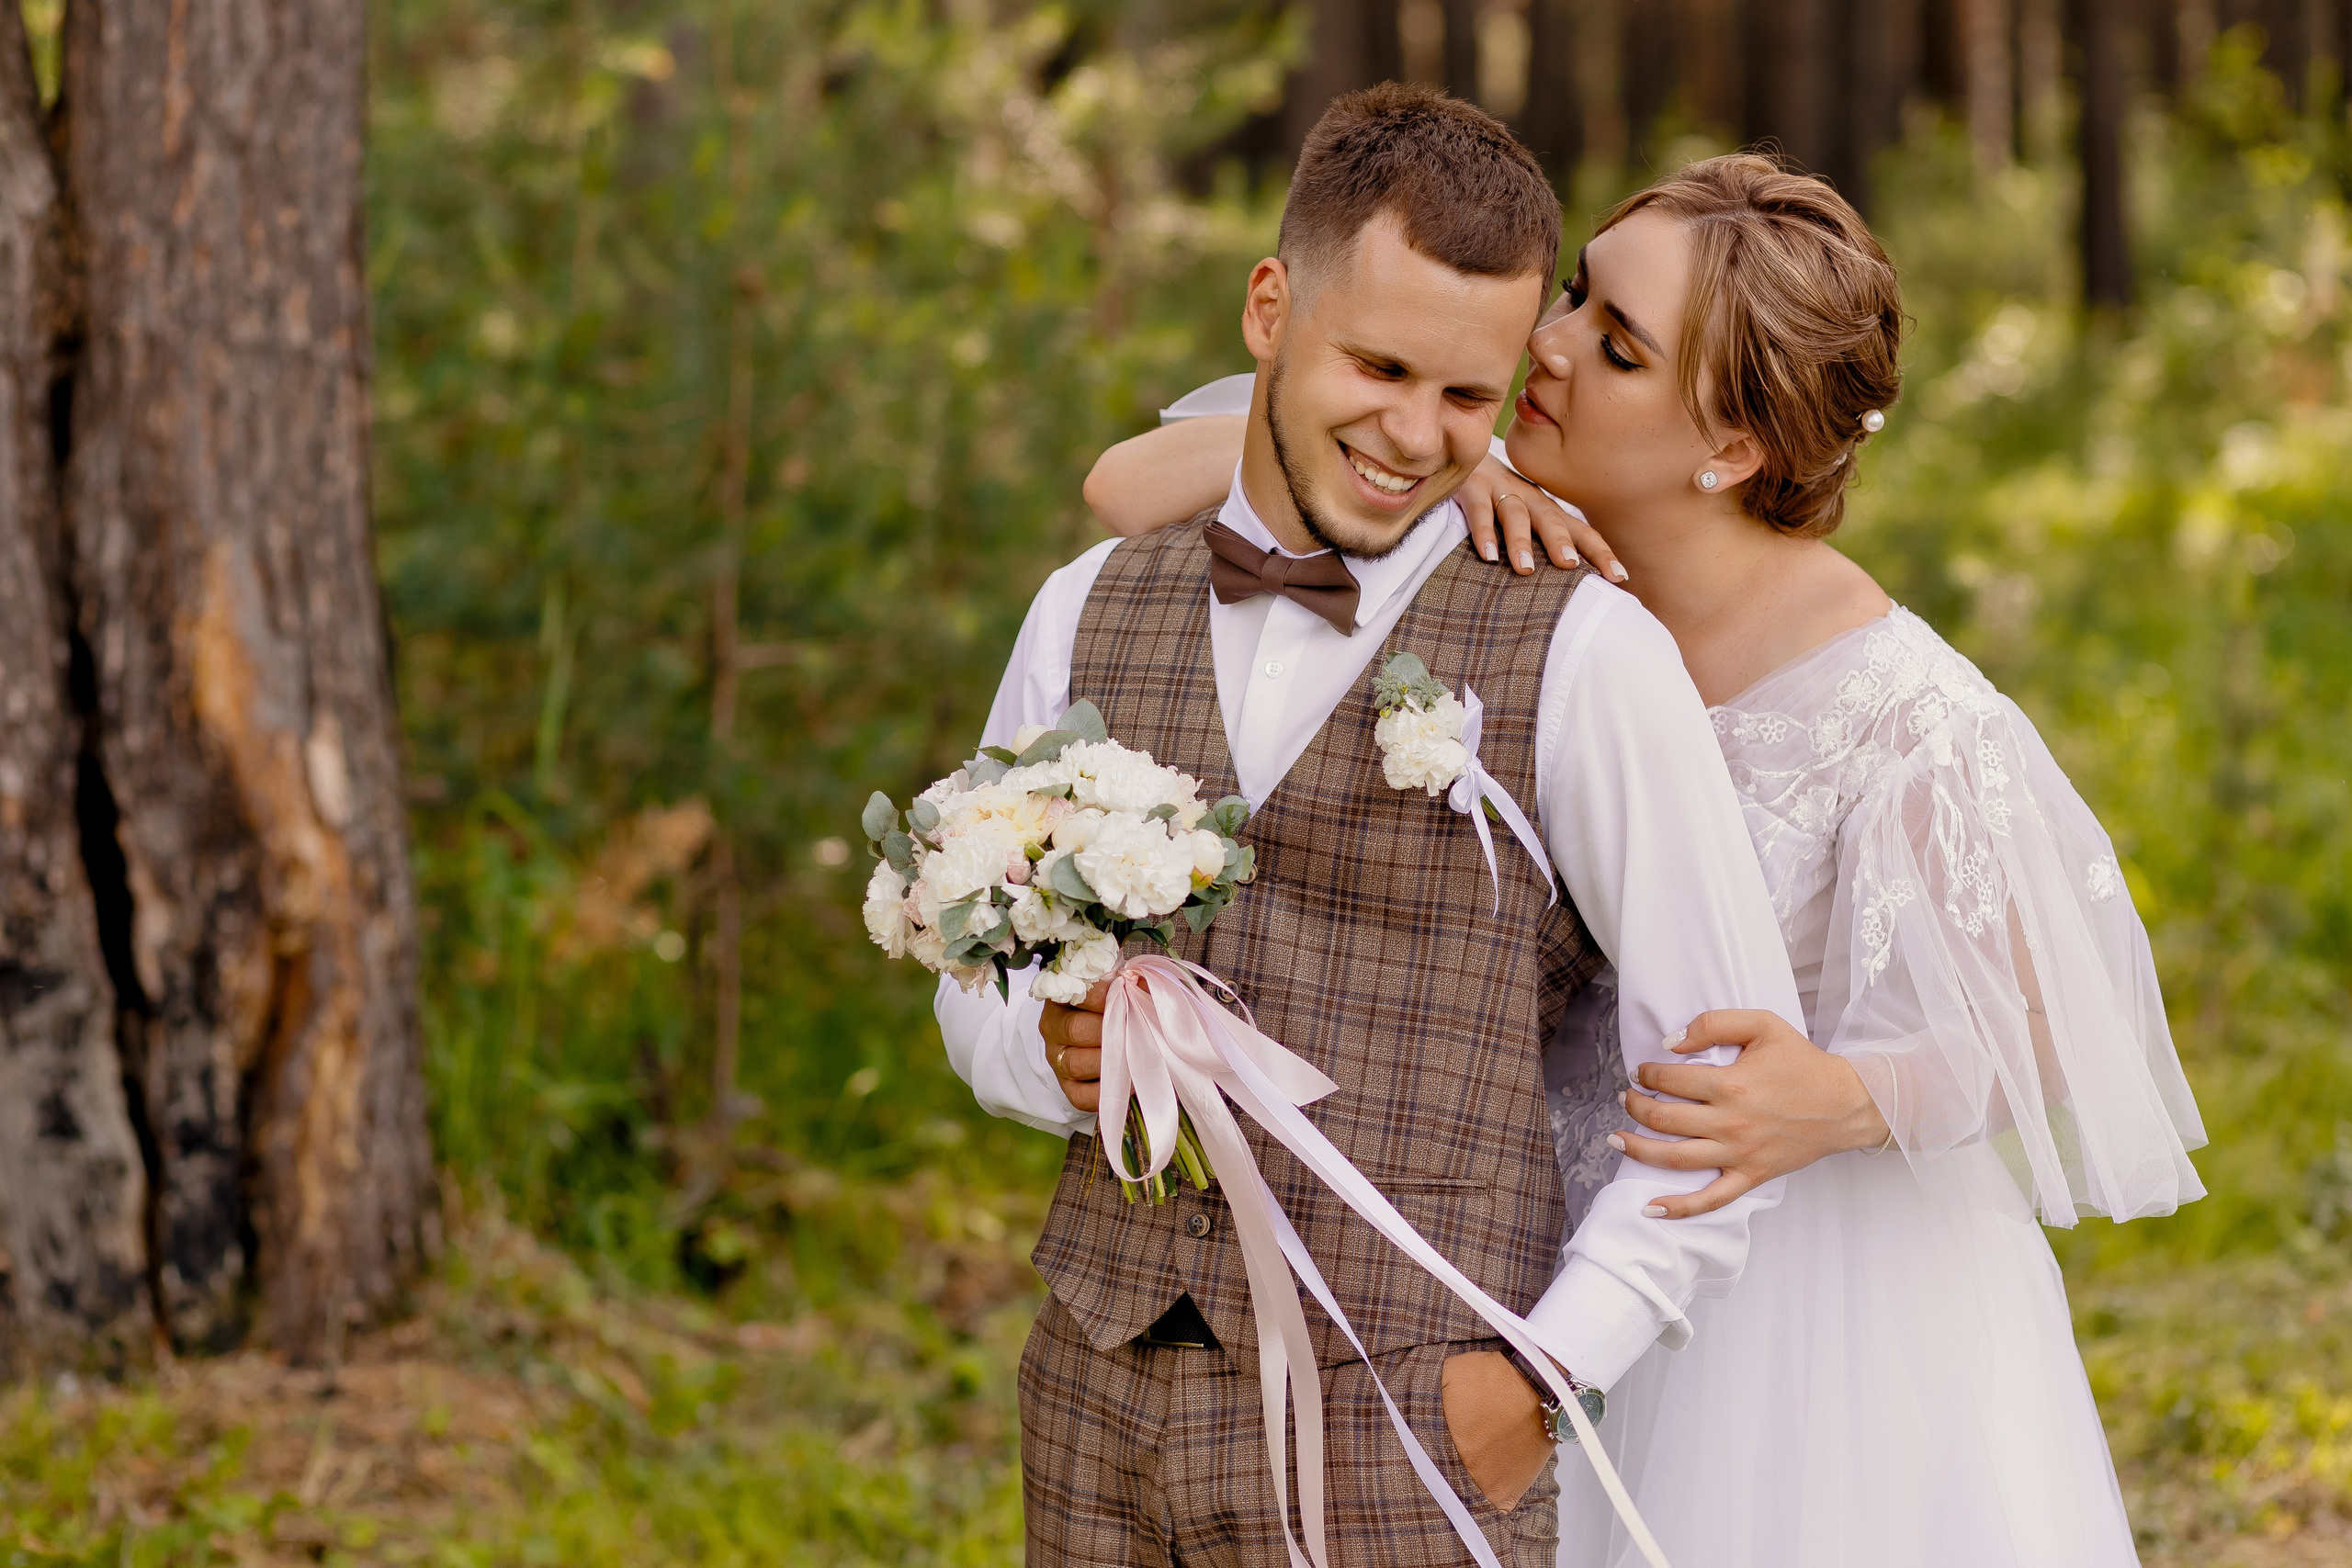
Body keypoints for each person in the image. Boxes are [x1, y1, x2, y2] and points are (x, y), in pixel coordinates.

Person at [1077, 152, 2209, 1566]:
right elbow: (1131, 484)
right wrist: (1463, 458)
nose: (1543, 348)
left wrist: (1844, 1097)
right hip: (1512, 1235)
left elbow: (2046, 1025)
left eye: (1614, 348)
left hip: (1795, 1302)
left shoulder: (1896, 713)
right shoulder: (1481, 523)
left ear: (1729, 450)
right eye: (1573, 299)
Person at [934, 88, 1830, 1565]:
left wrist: (1536, 1385)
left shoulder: (1588, 655)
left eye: (1468, 399)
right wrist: (1041, 1051)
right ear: (1269, 308)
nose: (1415, 436)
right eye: (1380, 366)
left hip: (1417, 1426)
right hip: (1096, 1393)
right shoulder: (1087, 604)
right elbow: (977, 969)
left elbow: (1716, 1091)